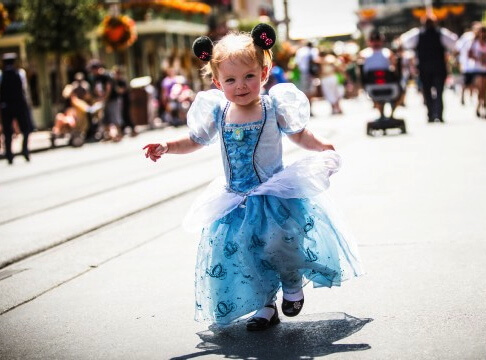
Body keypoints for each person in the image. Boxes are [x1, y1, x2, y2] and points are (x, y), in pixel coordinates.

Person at [143, 24, 363, 331]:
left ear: (264, 72)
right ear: (217, 82)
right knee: (247, 253)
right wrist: (167, 146)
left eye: (249, 76)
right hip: (235, 198)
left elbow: (299, 134)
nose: (241, 85)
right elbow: (194, 140)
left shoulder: (273, 107)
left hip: (272, 194)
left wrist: (321, 145)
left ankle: (292, 285)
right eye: (230, 79)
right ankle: (265, 306)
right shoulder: (219, 112)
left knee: (280, 243)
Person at [401, 15, 458, 123]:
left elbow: (405, 41)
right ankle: (437, 114)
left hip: (427, 67)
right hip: (437, 67)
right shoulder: (439, 33)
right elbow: (453, 42)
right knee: (437, 92)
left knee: (428, 92)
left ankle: (432, 114)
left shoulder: (419, 34)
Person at [0, 52, 35, 165]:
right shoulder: (20, 73)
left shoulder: (1, 75)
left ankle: (9, 155)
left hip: (6, 107)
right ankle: (24, 150)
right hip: (19, 105)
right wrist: (28, 104)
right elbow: (25, 90)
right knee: (26, 129)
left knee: (7, 131)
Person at [359, 29, 400, 119]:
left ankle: (388, 115)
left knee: (401, 90)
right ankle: (383, 114)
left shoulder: (387, 53)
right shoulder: (365, 54)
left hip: (385, 82)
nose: (376, 43)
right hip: (373, 83)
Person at [469, 25, 486, 119]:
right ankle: (478, 106)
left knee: (485, 89)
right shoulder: (474, 42)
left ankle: (485, 109)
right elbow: (469, 54)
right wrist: (478, 58)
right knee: (480, 89)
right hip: (477, 68)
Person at [294, 41, 320, 113]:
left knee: (304, 92)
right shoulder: (314, 51)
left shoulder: (300, 51)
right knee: (311, 92)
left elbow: (296, 63)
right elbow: (316, 61)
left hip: (303, 74)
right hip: (311, 74)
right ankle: (309, 108)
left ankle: (306, 109)